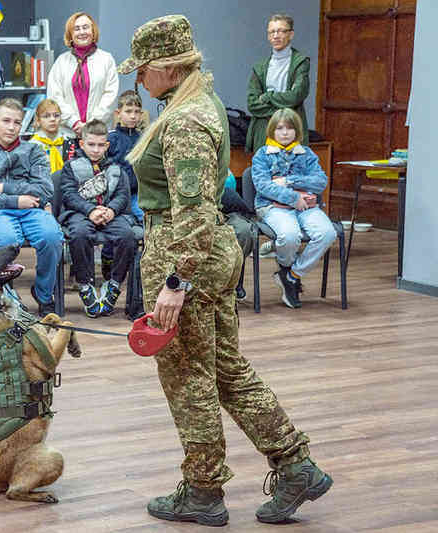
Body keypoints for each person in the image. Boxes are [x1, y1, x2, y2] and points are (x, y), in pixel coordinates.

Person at [119, 15, 332, 526]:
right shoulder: (197, 99)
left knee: (189, 374)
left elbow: (191, 210)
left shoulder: (187, 118)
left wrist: (176, 282)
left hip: (185, 250)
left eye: (143, 70)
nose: (137, 82)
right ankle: (295, 463)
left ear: (168, 67)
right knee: (225, 369)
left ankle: (203, 490)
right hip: (206, 251)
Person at [0, 98, 62, 317]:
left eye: (17, 122)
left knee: (52, 236)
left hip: (32, 209)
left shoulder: (34, 151)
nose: (11, 127)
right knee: (7, 240)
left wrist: (2, 187)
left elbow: (45, 190)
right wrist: (16, 200)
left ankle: (44, 294)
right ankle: (5, 296)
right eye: (6, 120)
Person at [251, 107, 335, 309]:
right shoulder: (262, 155)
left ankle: (291, 275)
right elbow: (263, 185)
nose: (285, 133)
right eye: (280, 128)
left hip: (306, 206)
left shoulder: (306, 154)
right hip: (273, 207)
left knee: (327, 233)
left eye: (289, 128)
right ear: (272, 131)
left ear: (297, 131)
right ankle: (288, 272)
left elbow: (320, 181)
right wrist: (293, 197)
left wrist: (288, 181)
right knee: (289, 236)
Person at [59, 119, 135, 318]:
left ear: (107, 145)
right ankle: (85, 285)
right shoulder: (71, 167)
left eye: (101, 145)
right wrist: (89, 210)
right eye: (91, 144)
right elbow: (69, 194)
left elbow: (122, 195)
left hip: (111, 214)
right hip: (81, 214)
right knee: (79, 233)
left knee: (128, 236)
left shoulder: (116, 169)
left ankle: (115, 283)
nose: (96, 149)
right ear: (82, 144)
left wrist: (111, 210)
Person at [47, 11, 119, 139]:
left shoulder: (106, 59)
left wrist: (90, 125)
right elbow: (55, 97)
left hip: (97, 134)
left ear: (93, 31)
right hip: (67, 133)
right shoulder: (61, 61)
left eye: (85, 27)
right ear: (70, 34)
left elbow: (110, 96)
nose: (82, 32)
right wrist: (74, 122)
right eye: (76, 29)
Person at [246, 13, 310, 154]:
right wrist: (280, 111)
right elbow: (252, 103)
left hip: (291, 129)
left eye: (281, 31)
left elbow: (296, 96)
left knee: (292, 172)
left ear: (291, 34)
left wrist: (268, 97)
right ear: (268, 36)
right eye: (272, 32)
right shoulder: (260, 67)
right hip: (264, 129)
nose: (276, 35)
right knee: (264, 172)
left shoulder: (300, 62)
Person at [101, 90, 144, 281]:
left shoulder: (143, 137)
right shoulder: (111, 139)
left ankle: (143, 265)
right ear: (118, 114)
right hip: (115, 197)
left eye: (137, 111)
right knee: (113, 226)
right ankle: (108, 258)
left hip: (137, 195)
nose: (133, 115)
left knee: (146, 219)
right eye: (128, 111)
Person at [29, 98, 75, 173]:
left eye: (56, 115)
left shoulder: (69, 142)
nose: (52, 119)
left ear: (61, 118)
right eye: (46, 116)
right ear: (38, 120)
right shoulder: (33, 145)